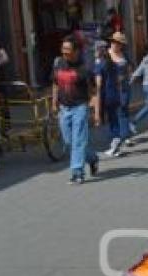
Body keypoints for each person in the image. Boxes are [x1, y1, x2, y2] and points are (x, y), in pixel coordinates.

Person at [51, 35, 99, 184]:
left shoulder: (84, 68)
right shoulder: (58, 63)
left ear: (77, 51)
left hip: (80, 107)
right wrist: (54, 102)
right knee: (69, 141)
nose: (65, 52)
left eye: (68, 50)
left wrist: (95, 111)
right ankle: (92, 158)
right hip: (64, 108)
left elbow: (94, 89)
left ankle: (77, 173)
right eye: (63, 49)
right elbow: (55, 84)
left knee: (78, 140)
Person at [95, 31, 131, 156]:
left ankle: (119, 138)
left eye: (119, 43)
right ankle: (117, 141)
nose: (117, 45)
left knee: (118, 114)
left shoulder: (121, 56)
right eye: (115, 42)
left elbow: (128, 69)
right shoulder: (108, 59)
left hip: (115, 91)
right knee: (114, 116)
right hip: (113, 90)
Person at [129, 38, 148, 134]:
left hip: (146, 85)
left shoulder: (145, 60)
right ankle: (133, 121)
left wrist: (130, 82)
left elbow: (138, 72)